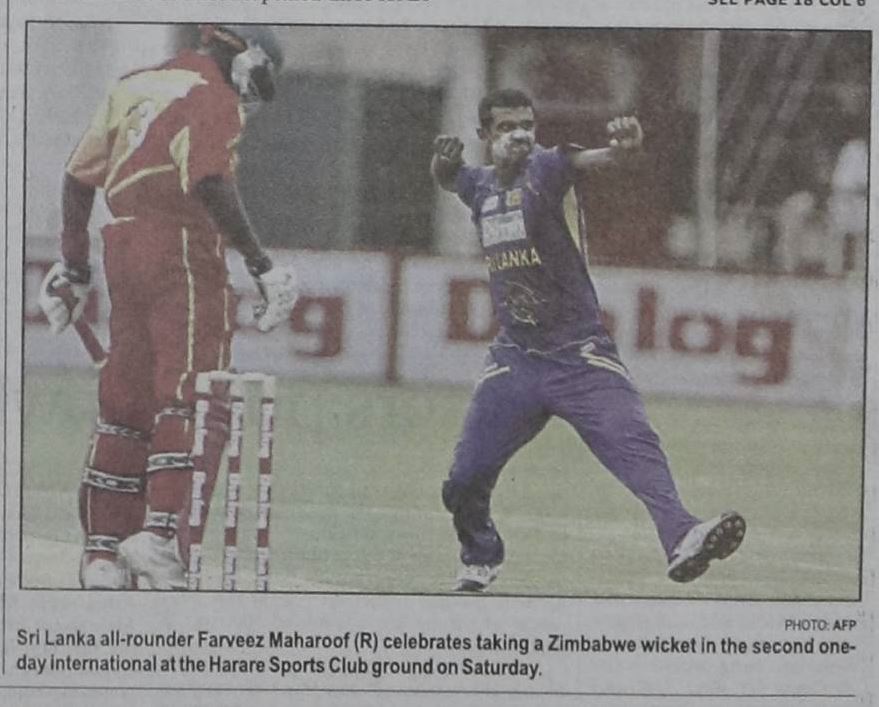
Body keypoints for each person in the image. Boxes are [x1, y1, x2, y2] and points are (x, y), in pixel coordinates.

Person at [431, 89, 745, 592]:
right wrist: (443, 164)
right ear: (484, 135)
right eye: (506, 127)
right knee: (464, 479)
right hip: (516, 358)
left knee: (635, 445)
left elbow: (601, 159)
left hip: (580, 355)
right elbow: (451, 178)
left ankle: (683, 534)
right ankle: (480, 557)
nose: (520, 135)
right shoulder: (481, 186)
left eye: (527, 125)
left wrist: (625, 149)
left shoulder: (547, 167)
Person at [37, 24, 298, 590]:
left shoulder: (132, 84)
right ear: (242, 53)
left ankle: (102, 554)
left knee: (125, 403)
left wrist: (75, 266)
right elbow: (207, 179)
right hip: (183, 247)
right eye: (259, 76)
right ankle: (159, 538)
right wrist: (260, 263)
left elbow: (78, 177)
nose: (254, 94)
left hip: (123, 246)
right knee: (195, 395)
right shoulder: (212, 96)